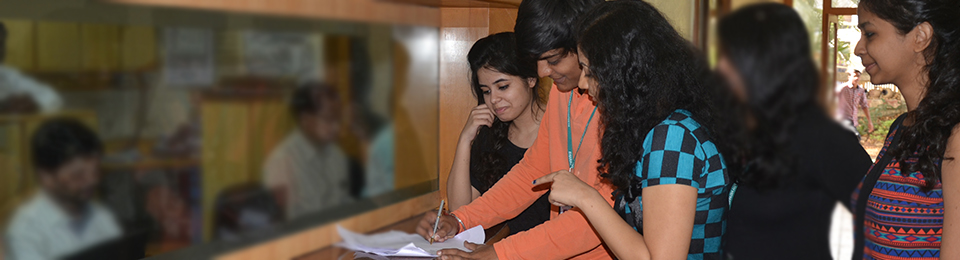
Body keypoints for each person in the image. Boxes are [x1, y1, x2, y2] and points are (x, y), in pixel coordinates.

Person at [532, 1, 739, 259]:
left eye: (589, 70)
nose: (583, 83)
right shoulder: (653, 127)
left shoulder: (672, 137)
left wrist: (585, 196)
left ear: (623, 73)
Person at [415, 0, 613, 259]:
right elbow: (530, 174)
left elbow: (597, 217)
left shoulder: (620, 106)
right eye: (538, 61)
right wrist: (461, 220)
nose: (543, 71)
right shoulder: (562, 92)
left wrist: (498, 253)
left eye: (552, 59)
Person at [711, 4, 874, 259]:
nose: (720, 69)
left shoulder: (820, 137)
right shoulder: (743, 130)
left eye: (731, 58)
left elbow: (878, 215)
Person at [850, 0, 960, 258]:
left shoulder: (954, 136)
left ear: (920, 36)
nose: (858, 48)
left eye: (870, 33)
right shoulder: (902, 126)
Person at [445, 32, 549, 235]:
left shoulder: (559, 129)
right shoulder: (492, 135)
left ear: (530, 79)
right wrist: (465, 139)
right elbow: (459, 211)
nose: (493, 99)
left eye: (503, 87)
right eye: (486, 91)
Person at [4, 118, 122, 260]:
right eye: (78, 175)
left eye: (96, 171)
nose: (92, 180)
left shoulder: (100, 216)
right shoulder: (25, 233)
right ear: (46, 177)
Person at [262, 82, 360, 220]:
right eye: (328, 119)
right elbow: (281, 225)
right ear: (305, 120)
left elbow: (342, 204)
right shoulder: (281, 162)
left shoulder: (337, 155)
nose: (337, 128)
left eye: (338, 120)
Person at [0, 22, 62, 114]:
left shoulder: (8, 75)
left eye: (1, 44)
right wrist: (3, 106)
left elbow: (52, 98)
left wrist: (33, 104)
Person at [836, 69, 875, 138]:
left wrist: (870, 122)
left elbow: (864, 105)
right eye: (854, 76)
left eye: (858, 76)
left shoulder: (860, 90)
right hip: (843, 120)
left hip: (853, 121)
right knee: (855, 137)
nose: (856, 78)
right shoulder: (842, 88)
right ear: (849, 77)